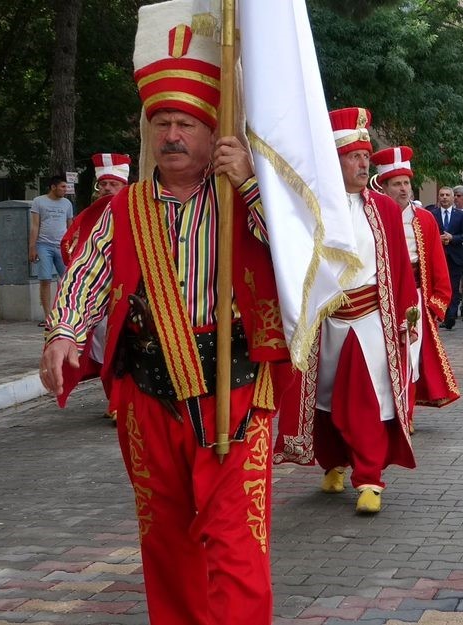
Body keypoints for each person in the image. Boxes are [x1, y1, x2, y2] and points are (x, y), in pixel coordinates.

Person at [39, 2, 288, 620]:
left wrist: (249, 183)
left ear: (212, 131)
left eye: (186, 123)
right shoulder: (125, 208)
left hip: (234, 388)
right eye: (162, 123)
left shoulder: (246, 196)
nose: (172, 135)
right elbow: (89, 272)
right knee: (166, 538)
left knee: (235, 538)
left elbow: (296, 255)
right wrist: (65, 332)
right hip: (149, 394)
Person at [280, 107, 419, 515]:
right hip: (326, 320)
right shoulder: (313, 207)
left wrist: (408, 315)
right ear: (335, 161)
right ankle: (335, 462)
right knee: (324, 398)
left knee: (364, 399)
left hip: (371, 320)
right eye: (354, 157)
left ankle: (370, 477)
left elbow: (399, 266)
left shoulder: (385, 209)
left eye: (365, 156)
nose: (363, 164)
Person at [372, 145, 460, 424]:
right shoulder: (372, 217)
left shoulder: (424, 219)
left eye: (406, 183)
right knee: (381, 357)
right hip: (380, 298)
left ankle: (405, 414)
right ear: (383, 187)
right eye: (396, 184)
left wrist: (436, 302)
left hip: (415, 298)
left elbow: (437, 262)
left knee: (409, 357)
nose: (403, 189)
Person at [58, 153, 132, 422]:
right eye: (104, 184)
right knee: (103, 350)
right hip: (97, 295)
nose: (107, 189)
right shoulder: (89, 216)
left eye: (113, 184)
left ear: (124, 186)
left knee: (125, 349)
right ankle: (113, 399)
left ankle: (122, 402)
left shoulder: (136, 213)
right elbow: (70, 247)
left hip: (128, 294)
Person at [29, 174, 74, 327]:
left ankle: (66, 311)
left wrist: (72, 245)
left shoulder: (67, 203)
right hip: (44, 245)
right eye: (62, 187)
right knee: (45, 279)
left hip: (62, 245)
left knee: (68, 279)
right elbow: (35, 225)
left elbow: (70, 225)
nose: (65, 189)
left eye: (66, 187)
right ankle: (48, 316)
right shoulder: (39, 201)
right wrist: (32, 247)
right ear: (53, 187)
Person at [429, 186, 463, 329]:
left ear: (452, 198)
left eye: (447, 195)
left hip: (455, 256)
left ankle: (451, 315)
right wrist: (437, 238)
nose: (444, 197)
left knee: (453, 286)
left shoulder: (461, 215)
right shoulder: (432, 214)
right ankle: (441, 312)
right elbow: (427, 233)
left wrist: (452, 238)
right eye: (442, 195)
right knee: (439, 286)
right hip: (438, 256)